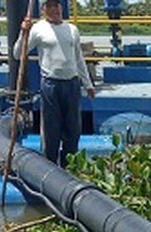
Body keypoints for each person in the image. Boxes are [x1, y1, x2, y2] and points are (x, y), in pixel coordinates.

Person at [15, 0, 95, 167]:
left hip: (72, 84)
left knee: (73, 130)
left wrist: (88, 84)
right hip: (51, 84)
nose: (53, 10)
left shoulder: (72, 29)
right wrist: (23, 33)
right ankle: (50, 166)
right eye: (49, 6)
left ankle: (70, 166)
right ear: (43, 9)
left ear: (61, 7)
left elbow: (79, 58)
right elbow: (17, 54)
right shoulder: (38, 29)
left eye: (56, 5)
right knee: (52, 130)